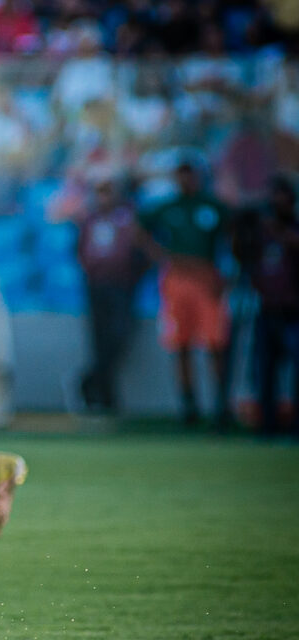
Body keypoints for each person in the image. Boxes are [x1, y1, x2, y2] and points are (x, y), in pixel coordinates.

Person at [137, 161, 233, 427]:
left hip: (206, 278)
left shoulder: (212, 206)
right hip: (177, 278)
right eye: (181, 176)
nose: (186, 181)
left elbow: (235, 233)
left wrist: (230, 271)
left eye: (190, 175)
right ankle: (189, 406)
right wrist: (159, 255)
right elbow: (139, 228)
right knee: (181, 343)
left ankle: (220, 405)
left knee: (214, 343)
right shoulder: (168, 207)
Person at [235, 175, 299, 437]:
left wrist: (280, 233)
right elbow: (241, 252)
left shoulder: (292, 228)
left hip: (293, 311)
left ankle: (295, 426)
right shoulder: (261, 235)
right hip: (266, 309)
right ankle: (267, 426)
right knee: (264, 371)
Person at [75, 177, 146, 416]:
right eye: (100, 192)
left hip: (120, 286)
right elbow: (80, 249)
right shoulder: (90, 219)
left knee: (118, 337)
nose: (103, 197)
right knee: (100, 341)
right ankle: (106, 398)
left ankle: (89, 382)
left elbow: (140, 250)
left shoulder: (127, 218)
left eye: (108, 192)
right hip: (96, 285)